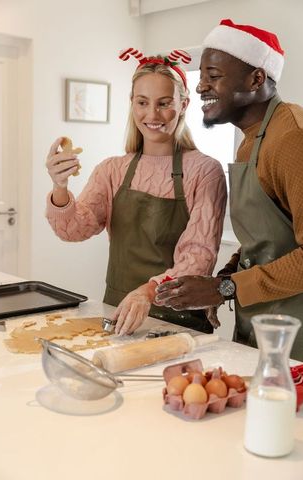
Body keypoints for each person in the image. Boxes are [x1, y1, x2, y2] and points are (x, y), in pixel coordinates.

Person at [45, 48, 227, 336]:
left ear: (183, 105)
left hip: (179, 323)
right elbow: (74, 230)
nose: (152, 114)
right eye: (142, 102)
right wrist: (60, 187)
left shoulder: (205, 171)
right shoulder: (113, 170)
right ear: (132, 103)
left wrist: (149, 291)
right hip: (118, 316)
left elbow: (199, 256)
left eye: (164, 103)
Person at [156, 19, 303, 361]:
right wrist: (225, 279)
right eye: (202, 77)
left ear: (256, 79)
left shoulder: (294, 138)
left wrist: (226, 287)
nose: (200, 88)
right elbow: (267, 239)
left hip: (298, 334)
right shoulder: (250, 141)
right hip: (262, 322)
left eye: (213, 76)